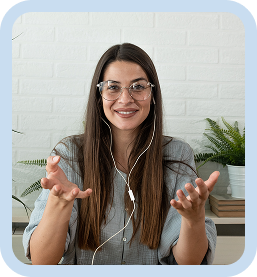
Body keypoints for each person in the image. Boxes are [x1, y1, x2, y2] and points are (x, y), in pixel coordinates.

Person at [23, 43, 219, 265]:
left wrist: (194, 220)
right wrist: (59, 204)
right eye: (113, 87)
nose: (125, 99)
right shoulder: (68, 155)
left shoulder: (178, 153)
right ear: (99, 96)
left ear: (152, 94)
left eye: (138, 86)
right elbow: (42, 262)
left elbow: (188, 264)